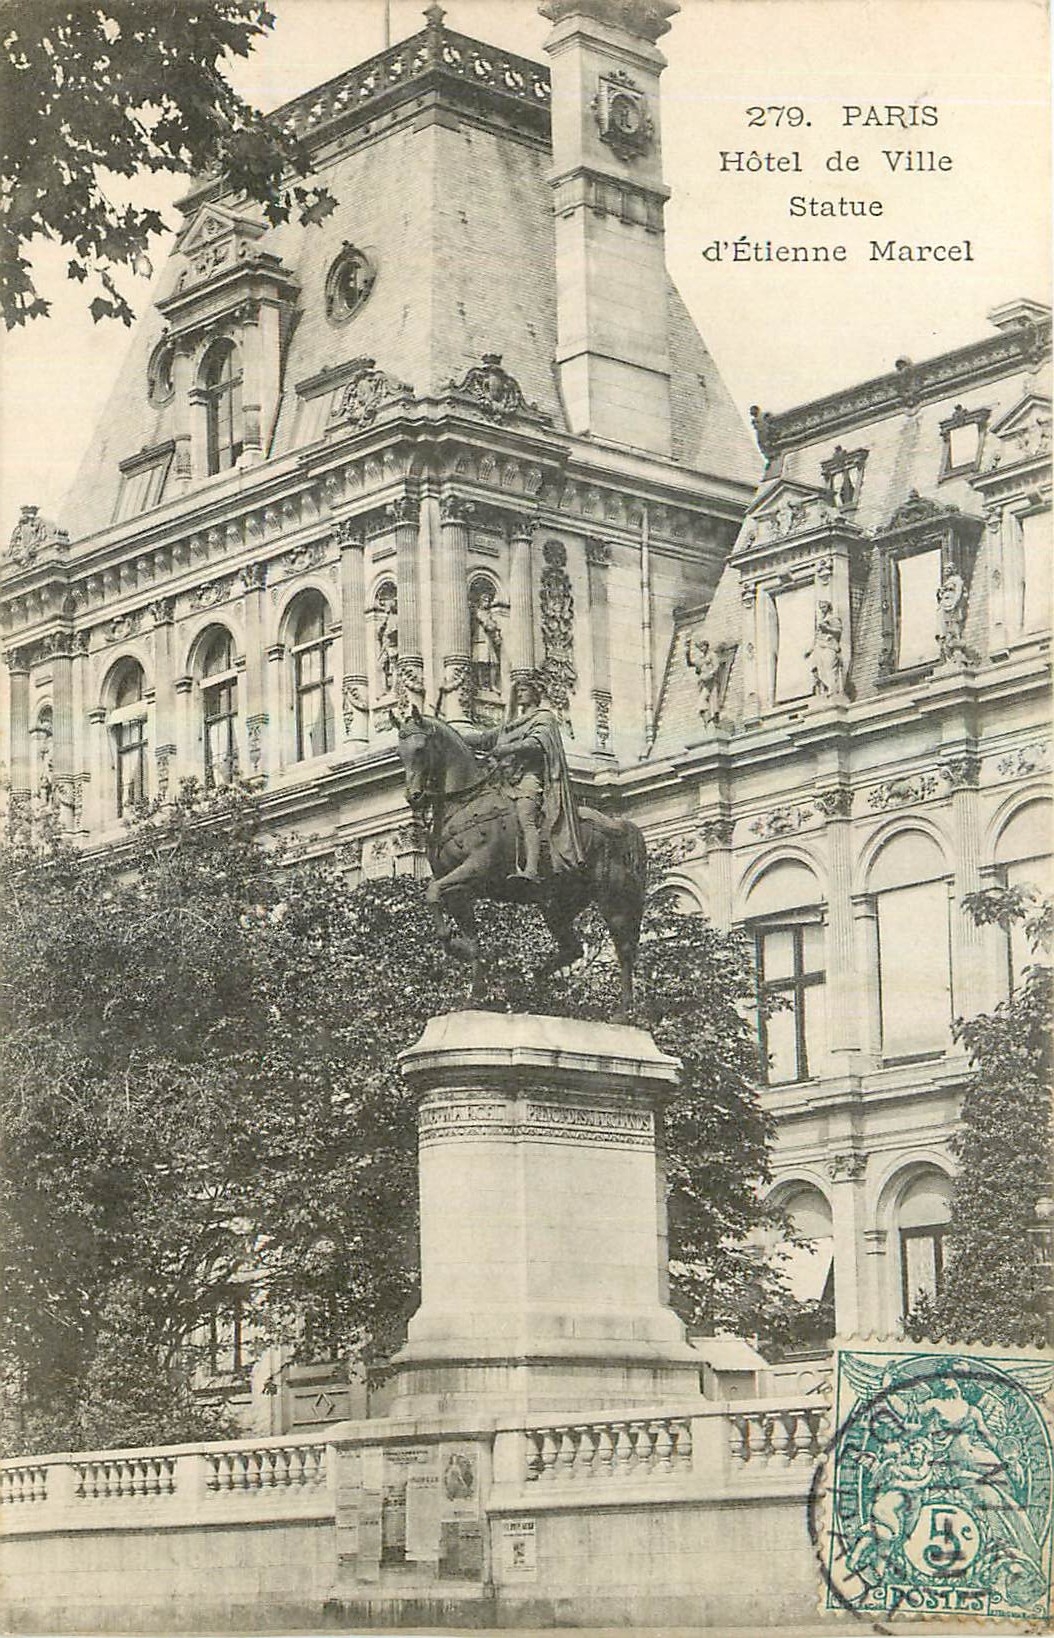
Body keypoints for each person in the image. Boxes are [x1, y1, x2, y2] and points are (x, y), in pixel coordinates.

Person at [476, 676, 585, 880]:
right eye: (518, 691)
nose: (520, 694)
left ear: (535, 693)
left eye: (524, 690)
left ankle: (532, 870)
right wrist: (446, 733)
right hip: (504, 781)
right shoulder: (510, 725)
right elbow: (482, 739)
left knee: (525, 816)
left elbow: (536, 743)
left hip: (528, 778)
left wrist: (505, 749)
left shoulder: (543, 718)